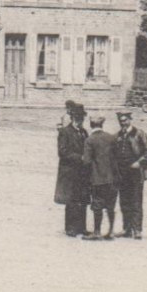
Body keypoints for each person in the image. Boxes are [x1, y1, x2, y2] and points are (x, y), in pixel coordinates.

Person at [112, 110, 147, 239]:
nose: (123, 123)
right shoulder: (117, 136)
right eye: (121, 121)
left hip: (136, 173)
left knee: (136, 201)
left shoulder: (139, 134)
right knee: (124, 201)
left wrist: (139, 162)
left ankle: (137, 230)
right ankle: (127, 229)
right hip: (122, 173)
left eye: (125, 120)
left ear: (130, 120)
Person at [55, 100, 90, 237]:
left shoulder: (84, 132)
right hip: (70, 172)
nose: (79, 120)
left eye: (81, 118)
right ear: (72, 118)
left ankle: (82, 227)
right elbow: (62, 152)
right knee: (71, 201)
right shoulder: (65, 132)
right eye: (77, 118)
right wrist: (79, 157)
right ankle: (70, 228)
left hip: (82, 172)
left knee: (83, 199)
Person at [83, 115, 119, 239]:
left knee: (97, 205)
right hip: (112, 178)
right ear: (102, 125)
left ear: (91, 125)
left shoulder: (89, 140)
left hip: (97, 179)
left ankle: (97, 232)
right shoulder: (111, 138)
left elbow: (87, 161)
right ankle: (111, 232)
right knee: (110, 206)